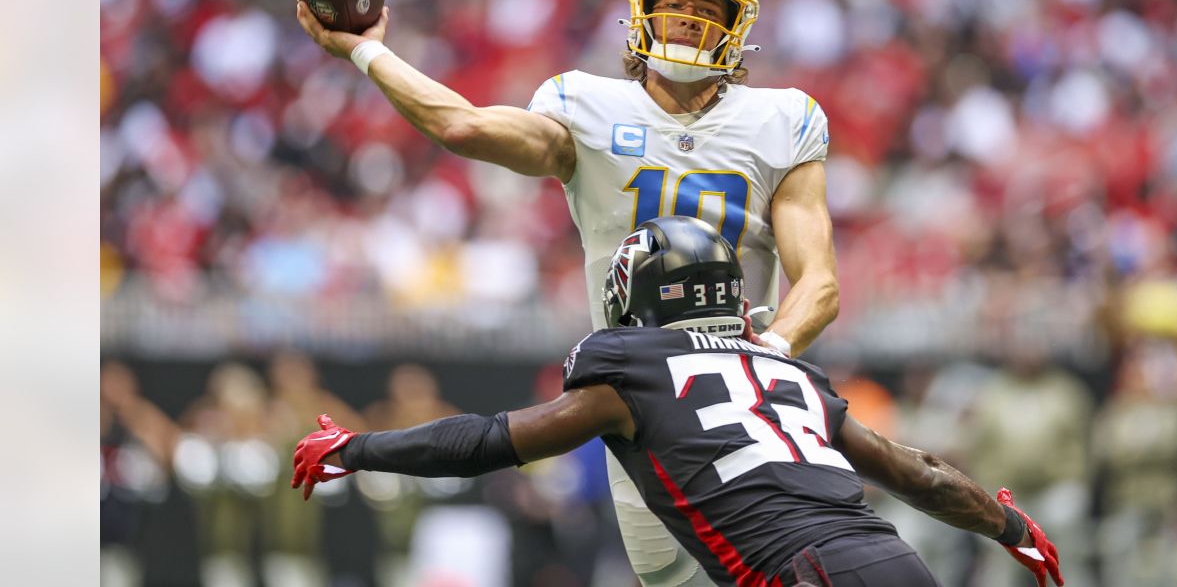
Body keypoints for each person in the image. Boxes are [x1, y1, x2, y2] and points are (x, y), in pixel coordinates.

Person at [298, 0, 840, 586]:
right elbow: (463, 126)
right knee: (669, 576)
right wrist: (367, 51)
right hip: (642, 398)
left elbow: (821, 282)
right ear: (641, 13)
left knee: (786, 564)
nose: (689, 23)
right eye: (674, 6)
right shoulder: (587, 106)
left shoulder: (781, 119)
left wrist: (769, 353)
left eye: (707, 12)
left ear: (738, 30)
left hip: (749, 393)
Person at [292, 216, 1064, 587]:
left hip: (804, 574)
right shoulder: (789, 371)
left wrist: (358, 449)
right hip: (900, 563)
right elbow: (922, 476)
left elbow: (494, 439)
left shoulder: (630, 371)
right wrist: (1015, 526)